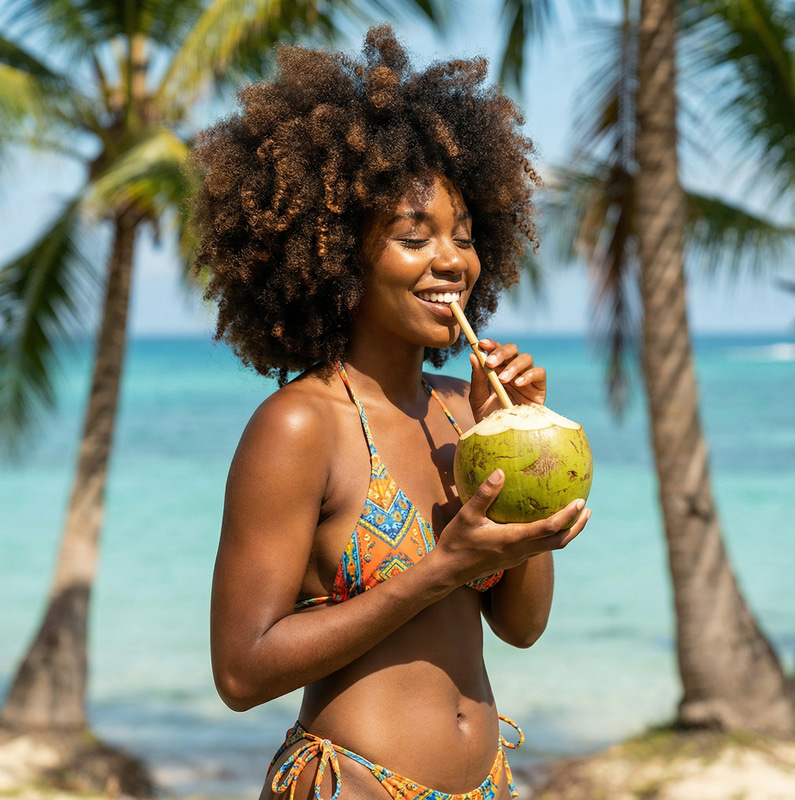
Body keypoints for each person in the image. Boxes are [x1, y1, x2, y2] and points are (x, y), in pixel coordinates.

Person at [191, 25, 591, 800]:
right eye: (415, 237)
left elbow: (522, 625)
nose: (453, 261)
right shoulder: (302, 424)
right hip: (351, 782)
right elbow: (240, 670)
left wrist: (521, 444)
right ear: (340, 252)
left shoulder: (462, 412)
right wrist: (439, 572)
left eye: (466, 238)